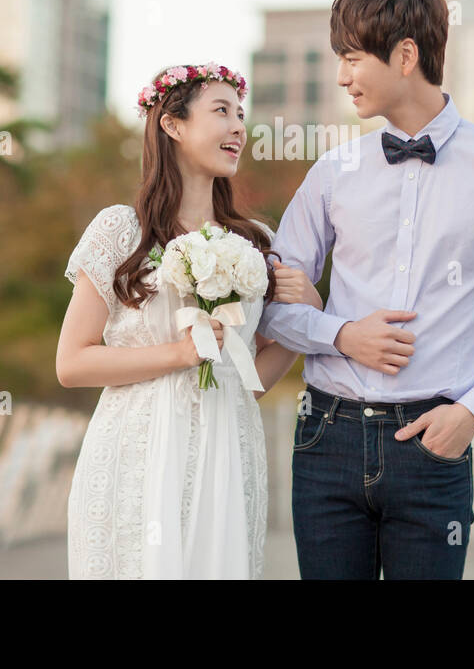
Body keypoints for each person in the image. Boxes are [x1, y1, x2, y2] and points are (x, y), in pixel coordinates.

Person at [256, 0, 474, 579]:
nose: (341, 76)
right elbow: (269, 300)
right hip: (325, 438)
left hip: (433, 441)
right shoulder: (332, 171)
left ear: (405, 55)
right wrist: (342, 334)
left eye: (352, 59)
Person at [56, 62, 318, 579]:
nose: (239, 127)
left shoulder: (255, 243)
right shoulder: (119, 230)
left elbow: (249, 383)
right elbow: (72, 363)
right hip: (136, 450)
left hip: (227, 450)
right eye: (221, 111)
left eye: (241, 115)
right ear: (172, 125)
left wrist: (306, 318)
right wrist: (179, 355)